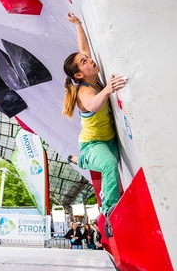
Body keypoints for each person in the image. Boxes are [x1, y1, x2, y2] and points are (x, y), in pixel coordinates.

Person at [62, 12, 128, 215]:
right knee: (109, 164)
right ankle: (109, 210)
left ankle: (79, 160)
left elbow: (83, 48)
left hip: (108, 140)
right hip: (92, 144)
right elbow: (92, 106)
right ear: (79, 75)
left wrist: (78, 23)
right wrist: (108, 89)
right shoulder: (83, 91)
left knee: (108, 164)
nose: (90, 60)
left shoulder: (92, 76)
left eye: (87, 59)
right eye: (84, 62)